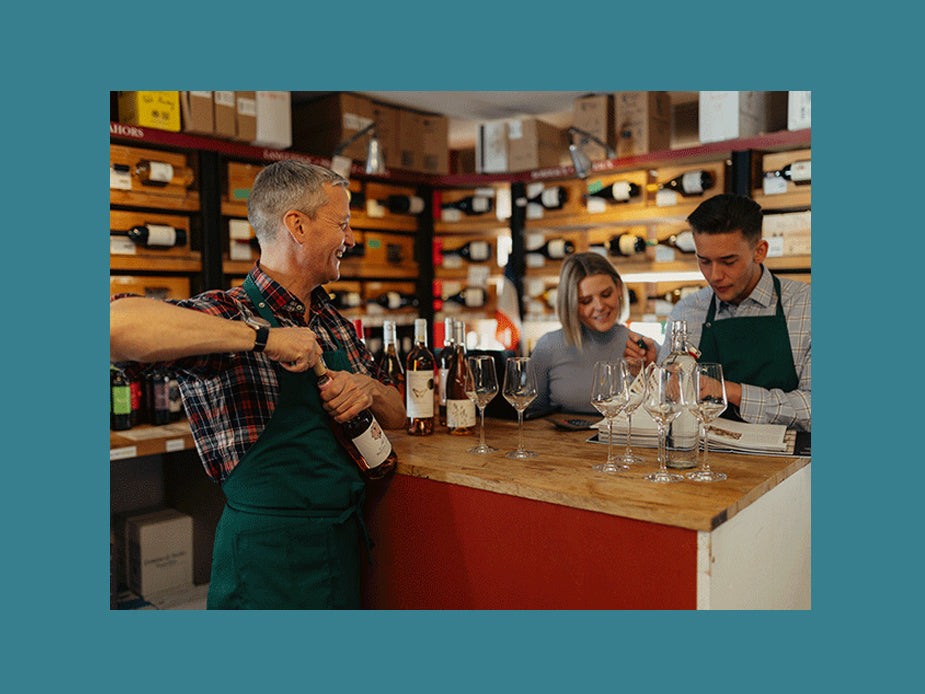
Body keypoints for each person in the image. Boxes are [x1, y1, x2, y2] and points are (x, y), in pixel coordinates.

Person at [110, 160, 406, 609]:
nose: (351, 239)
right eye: (342, 224)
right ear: (298, 226)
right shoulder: (229, 313)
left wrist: (368, 389)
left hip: (341, 551)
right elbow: (114, 326)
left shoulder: (337, 325)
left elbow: (401, 412)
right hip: (265, 565)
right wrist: (264, 340)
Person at [625, 193, 811, 431]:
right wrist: (651, 372)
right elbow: (666, 406)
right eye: (704, 261)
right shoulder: (686, 311)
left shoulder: (806, 306)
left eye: (728, 261)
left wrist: (728, 391)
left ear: (759, 251)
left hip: (789, 465)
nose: (714, 276)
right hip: (702, 461)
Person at [528, 252, 640, 416]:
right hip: (561, 441)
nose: (599, 306)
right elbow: (531, 414)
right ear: (570, 304)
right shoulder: (548, 347)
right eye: (586, 301)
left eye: (606, 294)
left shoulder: (641, 347)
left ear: (618, 289)